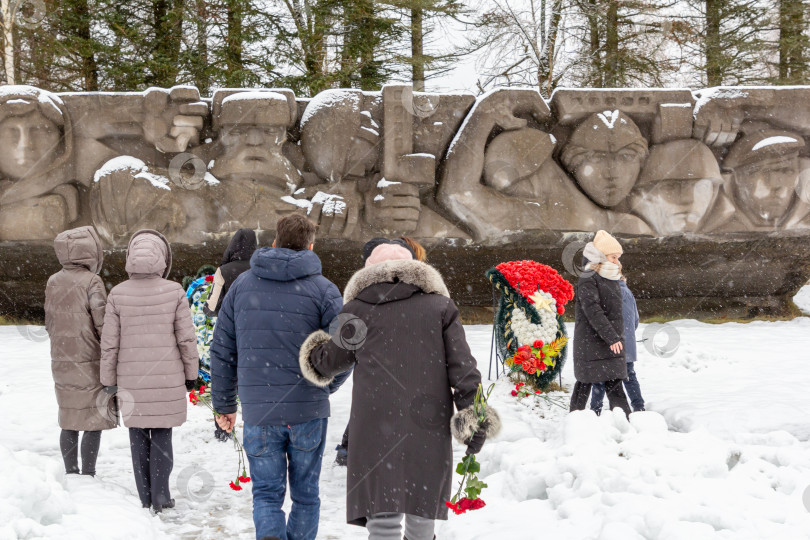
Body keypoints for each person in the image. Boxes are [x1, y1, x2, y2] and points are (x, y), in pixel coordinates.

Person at [299, 242, 501, 540]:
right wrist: (474, 414)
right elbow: (463, 368)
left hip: (374, 424)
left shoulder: (357, 310)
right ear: (416, 271)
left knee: (382, 519)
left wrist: (313, 351)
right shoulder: (440, 307)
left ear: (370, 271)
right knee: (422, 515)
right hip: (427, 422)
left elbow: (331, 363)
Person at [210, 214, 349, 540]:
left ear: (274, 241)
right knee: (305, 494)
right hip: (308, 412)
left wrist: (224, 404)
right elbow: (347, 349)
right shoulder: (324, 290)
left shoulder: (242, 286)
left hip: (260, 411)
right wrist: (325, 386)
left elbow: (222, 350)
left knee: (267, 494)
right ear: (310, 246)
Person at [100, 229, 199, 513]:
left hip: (130, 380)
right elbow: (186, 339)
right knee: (162, 433)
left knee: (138, 436)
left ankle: (145, 497)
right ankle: (161, 495)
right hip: (167, 378)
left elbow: (110, 345)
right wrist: (192, 373)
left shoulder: (117, 294)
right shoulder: (175, 292)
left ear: (130, 257)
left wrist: (108, 381)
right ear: (163, 258)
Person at [333, 237, 419, 467]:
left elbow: (336, 353)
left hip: (372, 370)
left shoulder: (357, 303)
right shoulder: (430, 303)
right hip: (404, 368)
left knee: (367, 402)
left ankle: (350, 448)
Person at [45, 226, 116, 477]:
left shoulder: (53, 281)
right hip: (89, 360)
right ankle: (88, 473)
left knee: (69, 418)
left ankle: (71, 472)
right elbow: (103, 323)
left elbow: (49, 323)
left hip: (61, 358)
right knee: (92, 419)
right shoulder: (91, 281)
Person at [569, 230, 632, 417]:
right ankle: (575, 421)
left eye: (618, 257)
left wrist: (615, 336)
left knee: (615, 383)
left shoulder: (612, 277)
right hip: (591, 342)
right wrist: (612, 337)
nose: (617, 261)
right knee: (585, 382)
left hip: (610, 341)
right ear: (601, 256)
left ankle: (625, 422)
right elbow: (592, 311)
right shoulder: (588, 278)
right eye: (613, 257)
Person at [590, 274, 645, 414]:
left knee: (600, 378)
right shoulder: (628, 293)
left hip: (609, 343)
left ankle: (595, 410)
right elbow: (636, 320)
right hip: (627, 344)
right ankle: (639, 407)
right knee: (629, 376)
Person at [204, 228, 257, 317]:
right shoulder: (262, 268)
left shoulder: (224, 271)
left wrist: (205, 308)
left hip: (233, 325)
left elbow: (212, 307)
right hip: (260, 324)